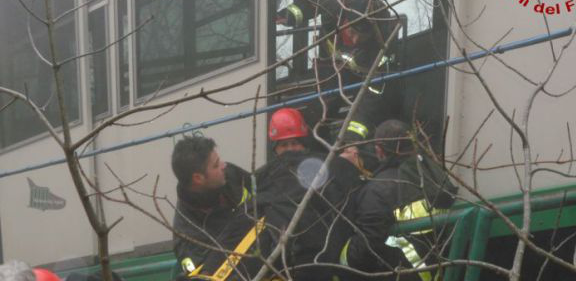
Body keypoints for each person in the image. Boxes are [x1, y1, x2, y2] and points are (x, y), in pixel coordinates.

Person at [181, 108, 362, 280]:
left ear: (304, 144)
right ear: (275, 148)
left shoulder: (328, 167)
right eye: (284, 145)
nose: (290, 149)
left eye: (295, 143)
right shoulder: (263, 177)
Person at [277, 0, 400, 142]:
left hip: (359, 77)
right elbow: (313, 0)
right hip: (330, 65)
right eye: (352, 33)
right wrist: (289, 16)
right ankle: (314, 139)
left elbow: (372, 97)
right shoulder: (335, 3)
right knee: (322, 106)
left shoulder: (381, 45)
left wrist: (353, 136)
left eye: (361, 37)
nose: (355, 40)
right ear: (345, 20)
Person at [341, 119, 458, 281]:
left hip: (410, 274)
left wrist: (341, 263)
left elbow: (365, 248)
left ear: (379, 151)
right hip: (443, 268)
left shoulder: (378, 190)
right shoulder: (433, 173)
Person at [171, 136, 251, 272]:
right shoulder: (187, 236)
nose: (223, 165)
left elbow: (264, 188)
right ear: (198, 178)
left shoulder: (229, 175)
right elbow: (206, 274)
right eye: (216, 165)